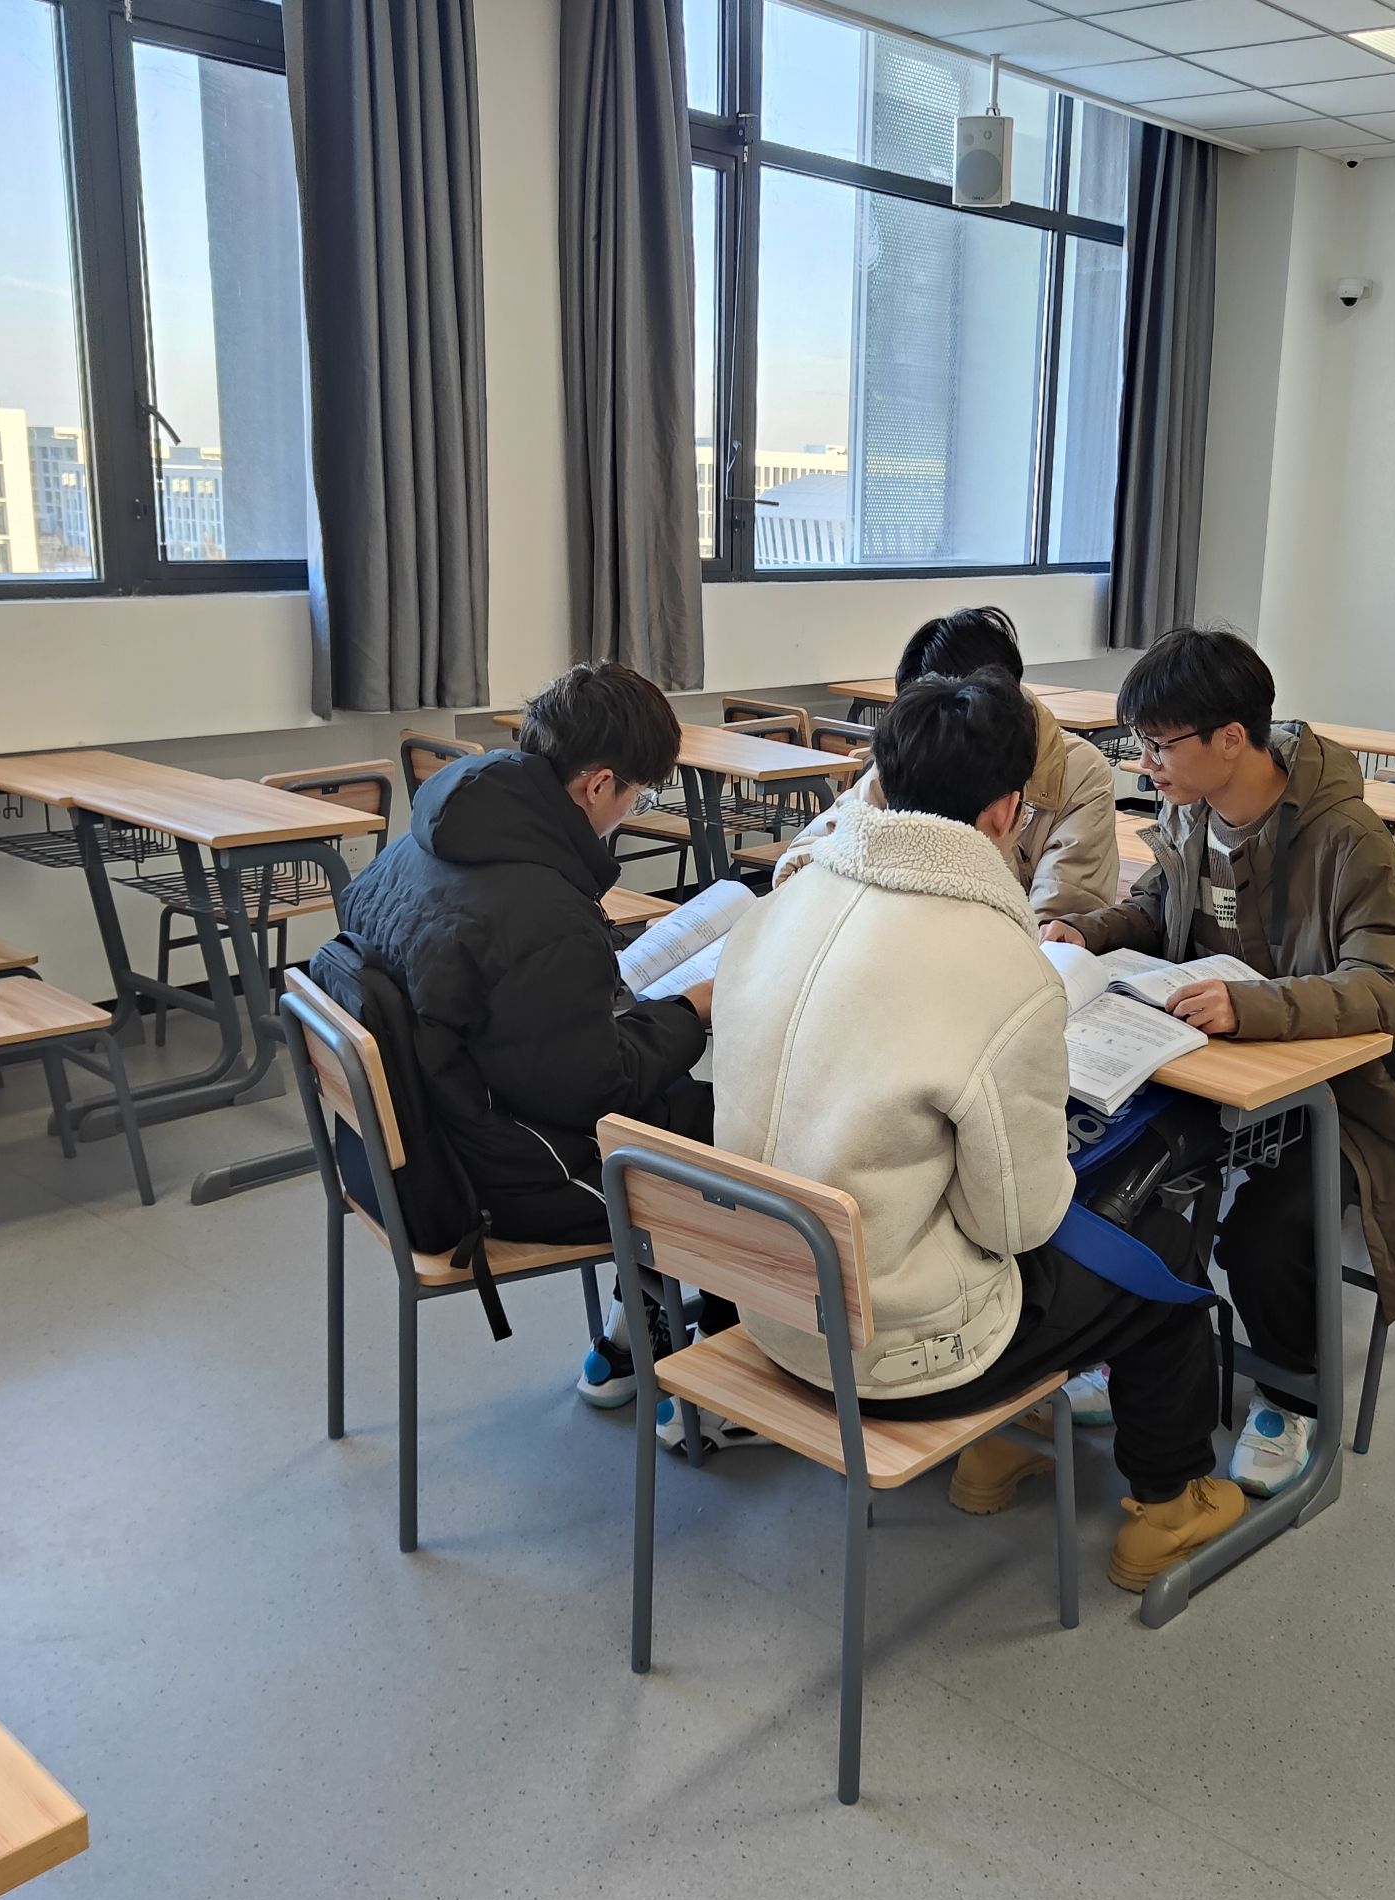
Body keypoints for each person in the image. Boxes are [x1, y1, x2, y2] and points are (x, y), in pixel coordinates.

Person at [711, 668, 1244, 1593]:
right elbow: (1018, 1224)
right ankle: (1167, 1510)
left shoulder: (782, 904)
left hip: (766, 1304)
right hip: (893, 1353)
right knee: (1158, 1253)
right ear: (1005, 812)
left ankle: (1000, 1450)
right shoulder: (998, 963)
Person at [1043, 627, 1395, 1498]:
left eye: (1160, 746)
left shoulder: (1346, 837)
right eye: (1140, 745)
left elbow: (1390, 986)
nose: (1145, 766)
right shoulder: (1190, 810)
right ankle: (1133, 1347)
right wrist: (1083, 933)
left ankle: (1289, 1395)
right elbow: (1157, 908)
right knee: (1113, 1184)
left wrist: (1255, 1008)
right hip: (1211, 1077)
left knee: (1270, 1235)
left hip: (1344, 1097)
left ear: (1231, 738)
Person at [318, 663, 717, 1409]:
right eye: (640, 793)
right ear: (598, 785)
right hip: (501, 1173)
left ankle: (633, 1333)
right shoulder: (540, 909)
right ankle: (699, 1365)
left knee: (677, 1101)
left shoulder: (427, 841)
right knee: (736, 1138)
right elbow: (596, 1090)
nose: (635, 810)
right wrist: (692, 1011)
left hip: (410, 1149)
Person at [773, 607, 1119, 923]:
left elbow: (1056, 925)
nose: (934, 730)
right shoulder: (918, 746)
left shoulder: (1079, 772)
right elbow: (801, 864)